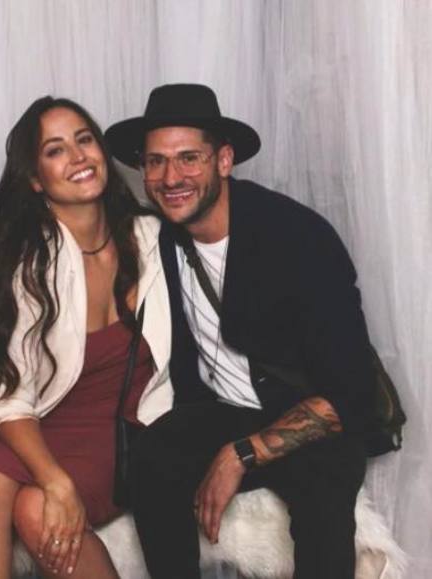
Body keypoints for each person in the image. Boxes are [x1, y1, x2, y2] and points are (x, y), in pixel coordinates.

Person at [105, 83, 378, 579]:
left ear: (224, 160)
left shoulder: (298, 238)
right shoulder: (159, 236)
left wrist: (242, 454)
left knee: (324, 497)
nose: (171, 178)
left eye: (189, 158)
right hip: (223, 411)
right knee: (152, 458)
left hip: (311, 414)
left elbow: (352, 395)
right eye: (155, 162)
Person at [0, 95, 173, 579]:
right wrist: (56, 481)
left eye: (84, 139)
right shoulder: (30, 260)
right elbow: (9, 391)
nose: (77, 157)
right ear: (35, 179)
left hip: (121, 428)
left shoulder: (154, 239)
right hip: (36, 417)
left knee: (33, 509)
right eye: (55, 150)